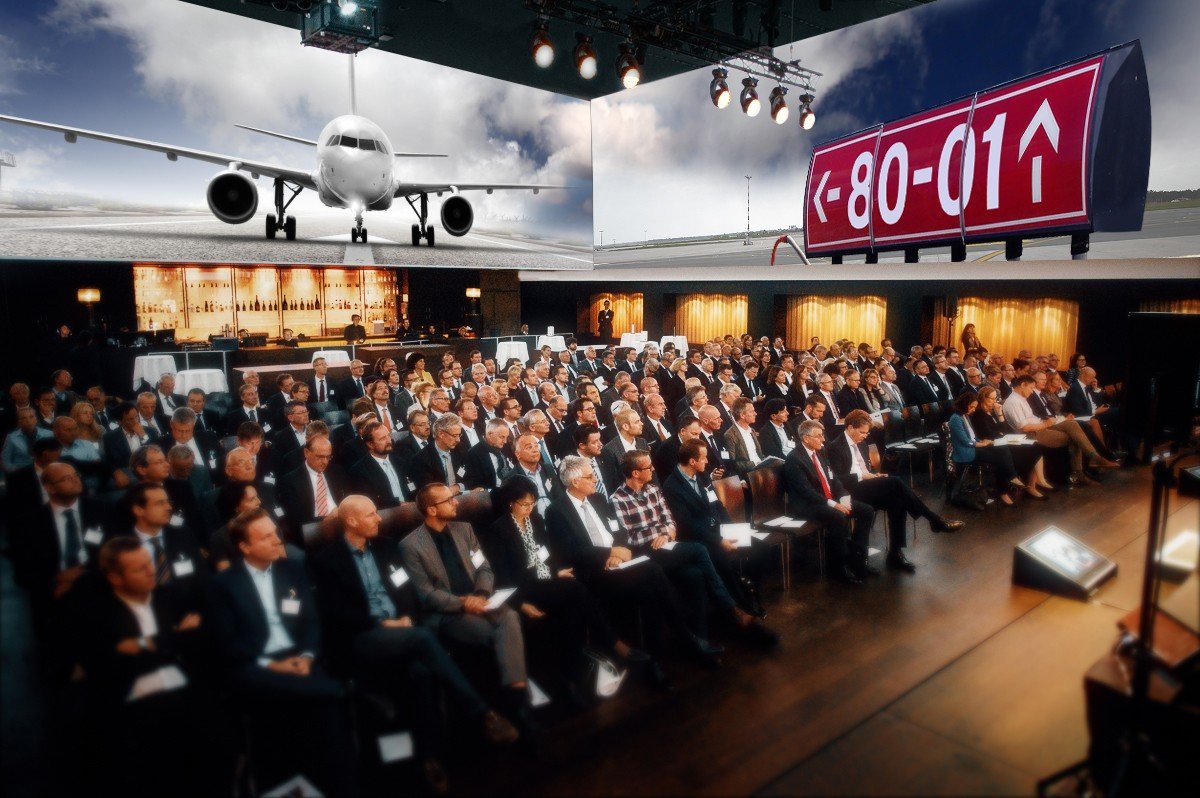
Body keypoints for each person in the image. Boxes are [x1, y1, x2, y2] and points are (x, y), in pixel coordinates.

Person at [311, 496, 519, 792]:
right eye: (371, 515)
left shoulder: (385, 548)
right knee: (423, 638)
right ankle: (481, 712)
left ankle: (428, 759)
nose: (379, 519)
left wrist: (406, 617)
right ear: (352, 521)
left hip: (404, 632)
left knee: (421, 674)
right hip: (365, 637)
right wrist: (382, 624)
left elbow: (408, 591)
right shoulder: (327, 561)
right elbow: (337, 614)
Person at [206, 508, 358, 798]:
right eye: (266, 537)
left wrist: (307, 657)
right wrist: (271, 665)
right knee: (324, 700)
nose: (278, 540)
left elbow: (310, 622)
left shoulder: (292, 570)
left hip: (299, 659)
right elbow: (227, 642)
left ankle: (338, 786)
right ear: (245, 546)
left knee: (327, 719)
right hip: (255, 665)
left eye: (275, 533)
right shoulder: (223, 585)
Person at [544, 456, 720, 685]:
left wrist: (618, 551)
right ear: (575, 482)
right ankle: (686, 637)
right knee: (652, 569)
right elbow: (569, 552)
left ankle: (654, 663)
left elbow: (619, 531)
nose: (595, 479)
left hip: (620, 562)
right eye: (590, 476)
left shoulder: (597, 500)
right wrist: (608, 554)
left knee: (649, 594)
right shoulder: (556, 511)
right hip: (595, 573)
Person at [485, 476, 650, 701]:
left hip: (544, 582)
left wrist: (555, 572)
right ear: (510, 503)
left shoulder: (535, 522)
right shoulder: (497, 531)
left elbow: (549, 557)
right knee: (575, 589)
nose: (529, 508)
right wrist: (521, 604)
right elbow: (503, 578)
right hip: (523, 589)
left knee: (572, 610)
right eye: (524, 504)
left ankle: (572, 681)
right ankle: (614, 644)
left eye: (532, 503)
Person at [81, 537, 217, 798]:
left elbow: (202, 639)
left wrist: (144, 645)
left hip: (185, 691)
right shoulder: (99, 614)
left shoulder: (170, 597)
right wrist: (175, 638)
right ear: (115, 578)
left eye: (150, 563)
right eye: (140, 568)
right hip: (133, 703)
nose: (151, 571)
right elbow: (108, 668)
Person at [399, 484, 534, 729]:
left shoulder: (464, 529)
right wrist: (463, 603)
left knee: (510, 618)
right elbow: (426, 594)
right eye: (449, 500)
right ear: (431, 509)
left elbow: (484, 568)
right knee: (493, 633)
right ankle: (516, 708)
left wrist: (481, 593)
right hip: (448, 613)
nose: (456, 502)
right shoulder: (410, 545)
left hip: (481, 599)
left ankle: (515, 699)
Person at [611, 450, 776, 649]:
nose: (653, 469)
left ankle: (702, 640)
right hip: (646, 552)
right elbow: (629, 537)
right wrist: (659, 534)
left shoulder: (653, 489)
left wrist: (666, 534)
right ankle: (732, 608)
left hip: (667, 545)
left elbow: (669, 520)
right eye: (648, 467)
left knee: (695, 575)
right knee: (700, 550)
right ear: (635, 473)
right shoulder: (618, 498)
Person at [826, 410, 964, 572]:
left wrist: (874, 476)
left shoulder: (861, 444)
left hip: (866, 486)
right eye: (862, 432)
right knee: (895, 482)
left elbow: (865, 469)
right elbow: (838, 479)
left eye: (867, 432)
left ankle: (895, 554)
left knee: (898, 502)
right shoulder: (835, 447)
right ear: (850, 428)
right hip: (849, 491)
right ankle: (934, 520)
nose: (865, 436)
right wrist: (863, 476)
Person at [782, 420, 876, 585]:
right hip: (806, 506)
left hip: (827, 499)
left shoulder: (820, 451)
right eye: (818, 436)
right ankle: (838, 567)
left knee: (867, 510)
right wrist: (834, 504)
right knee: (838, 516)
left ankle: (858, 559)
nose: (823, 439)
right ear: (806, 438)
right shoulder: (794, 459)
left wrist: (844, 497)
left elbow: (834, 478)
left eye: (822, 435)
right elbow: (806, 492)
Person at [949, 391, 1024, 506]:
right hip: (966, 453)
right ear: (964, 404)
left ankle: (1006, 485)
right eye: (972, 406)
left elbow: (973, 437)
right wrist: (983, 444)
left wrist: (983, 441)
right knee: (1001, 457)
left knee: (1002, 450)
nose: (973, 409)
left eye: (975, 407)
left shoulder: (965, 416)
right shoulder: (955, 419)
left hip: (974, 447)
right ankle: (1009, 481)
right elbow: (966, 441)